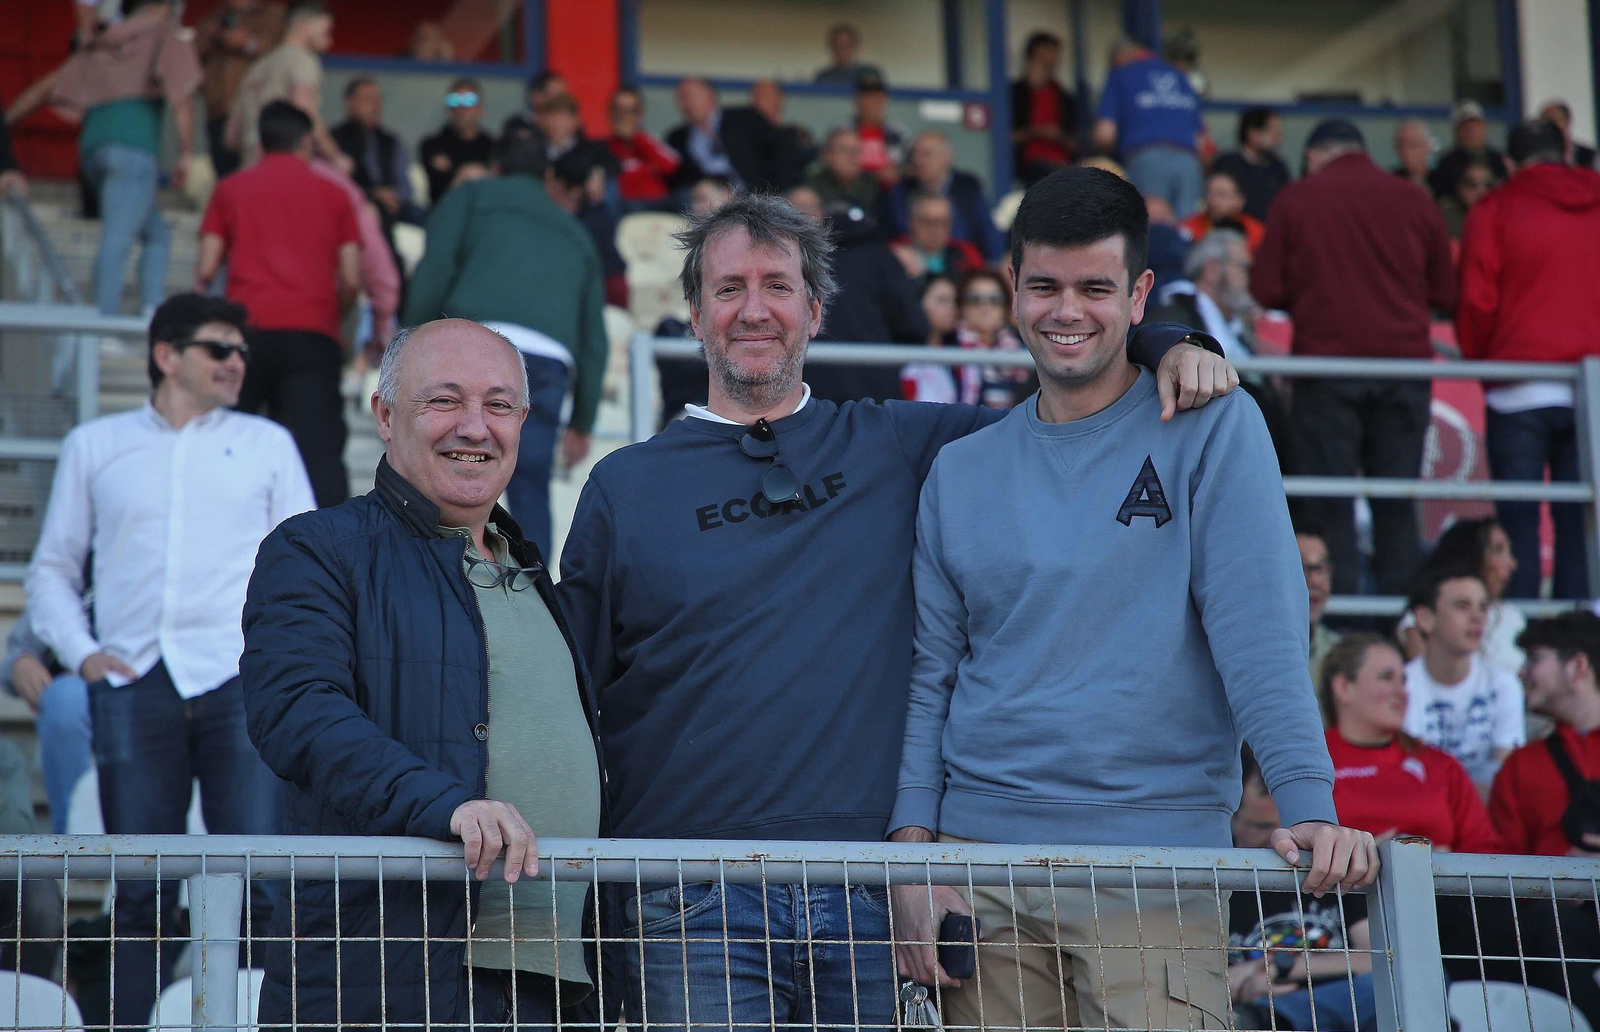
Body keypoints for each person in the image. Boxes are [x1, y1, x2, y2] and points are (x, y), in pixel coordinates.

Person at [557, 191, 1240, 1032]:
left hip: (869, 894)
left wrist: (1166, 338)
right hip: (687, 893)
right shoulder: (623, 487)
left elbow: (1068, 378)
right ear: (693, 312)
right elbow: (571, 696)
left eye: (777, 286)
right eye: (728, 288)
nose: (754, 310)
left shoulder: (902, 443)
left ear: (814, 310)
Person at [889, 167, 1374, 1030]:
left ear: (1141, 292)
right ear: (1010, 287)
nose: (1065, 310)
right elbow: (934, 677)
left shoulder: (1214, 425)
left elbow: (1260, 634)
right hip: (979, 873)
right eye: (1043, 285)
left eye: (1094, 288)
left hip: (1154, 869)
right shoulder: (959, 470)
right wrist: (912, 864)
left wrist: (1310, 807)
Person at [240, 319, 604, 1031]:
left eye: (500, 406)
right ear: (383, 414)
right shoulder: (317, 550)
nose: (475, 426)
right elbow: (297, 711)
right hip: (391, 982)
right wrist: (445, 805)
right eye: (444, 401)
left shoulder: (534, 573)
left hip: (553, 988)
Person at [25, 293, 313, 1028]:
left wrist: (277, 662)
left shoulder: (266, 444)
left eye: (242, 351)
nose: (238, 363)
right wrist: (85, 657)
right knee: (139, 887)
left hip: (240, 681)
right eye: (221, 349)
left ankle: (272, 1023)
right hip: (132, 682)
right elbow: (52, 569)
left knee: (263, 879)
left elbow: (304, 567)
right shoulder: (96, 443)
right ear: (166, 356)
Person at [1252, 118, 1455, 598]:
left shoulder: (1298, 198)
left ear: (1316, 156)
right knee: (1396, 504)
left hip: (1326, 374)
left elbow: (1266, 288)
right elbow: (1447, 290)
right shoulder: (1414, 199)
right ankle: (1404, 629)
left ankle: (1340, 625)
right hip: (1404, 371)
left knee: (1329, 506)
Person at [403, 133, 607, 557]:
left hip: (473, 347)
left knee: (450, 467)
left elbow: (433, 273)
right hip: (550, 360)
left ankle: (439, 580)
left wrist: (407, 349)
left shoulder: (472, 196)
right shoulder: (576, 232)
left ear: (496, 166)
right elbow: (594, 339)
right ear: (547, 176)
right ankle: (535, 596)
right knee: (530, 482)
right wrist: (583, 421)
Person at [1457, 117, 1600, 602]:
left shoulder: (1495, 208)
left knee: (1517, 522)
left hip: (1517, 386)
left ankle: (1519, 635)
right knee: (1583, 520)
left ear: (1508, 163)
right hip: (1592, 387)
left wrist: (1484, 365)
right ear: (1565, 151)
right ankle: (1579, 633)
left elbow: (1476, 301)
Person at [197, 100, 362, 508]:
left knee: (232, 444)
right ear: (307, 142)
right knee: (318, 456)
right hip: (313, 334)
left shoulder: (230, 188)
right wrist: (332, 315)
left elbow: (205, 268)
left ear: (260, 142)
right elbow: (353, 277)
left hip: (246, 336)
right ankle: (335, 563)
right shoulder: (335, 194)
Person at [8, 0, 200, 316]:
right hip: (134, 148)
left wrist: (6, 123)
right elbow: (183, 98)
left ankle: (152, 307)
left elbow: (45, 87)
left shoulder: (102, 41)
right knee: (118, 237)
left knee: (157, 235)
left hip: (93, 149)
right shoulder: (166, 35)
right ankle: (101, 324)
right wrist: (188, 154)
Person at [1230, 747, 1374, 1032]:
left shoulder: (1332, 870)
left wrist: (1276, 969)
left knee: (1418, 978)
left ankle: (1280, 1017)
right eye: (1261, 827)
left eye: (1287, 829)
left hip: (1342, 1009)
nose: (1278, 842)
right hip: (1250, 1010)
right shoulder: (1216, 885)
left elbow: (1381, 958)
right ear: (1230, 819)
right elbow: (1192, 975)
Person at [1321, 633, 1503, 851]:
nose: (1402, 692)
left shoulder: (1440, 766)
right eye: (1386, 677)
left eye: (1403, 680)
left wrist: (1444, 866)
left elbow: (1486, 850)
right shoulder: (1311, 761)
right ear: (1343, 687)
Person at [1145, 229, 1292, 470]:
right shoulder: (1173, 317)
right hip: (1209, 460)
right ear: (1212, 269)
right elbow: (1151, 342)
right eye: (1244, 268)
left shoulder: (1237, 326)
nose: (1250, 279)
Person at [1402, 565, 1525, 793]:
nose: (1478, 617)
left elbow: (1506, 776)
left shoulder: (1504, 684)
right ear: (1425, 619)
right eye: (1462, 606)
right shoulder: (1402, 684)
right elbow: (1407, 774)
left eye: (1483, 607)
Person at [801, 192, 929, 404]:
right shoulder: (883, 259)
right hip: (874, 393)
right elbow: (915, 327)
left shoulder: (807, 261)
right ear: (868, 223)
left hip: (814, 393)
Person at [1492, 612, 1600, 855]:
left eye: (1533, 659)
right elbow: (1499, 877)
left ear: (1578, 666)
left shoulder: (1520, 766)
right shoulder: (1519, 767)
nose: (1522, 673)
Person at [3, 606, 92, 834]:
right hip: (75, 706)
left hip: (163, 702)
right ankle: (76, 854)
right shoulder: (72, 574)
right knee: (67, 699)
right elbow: (16, 653)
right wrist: (21, 662)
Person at [226, 1, 345, 171]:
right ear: (303, 26)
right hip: (283, 172)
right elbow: (304, 114)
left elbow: (231, 138)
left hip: (247, 172)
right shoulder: (303, 60)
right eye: (325, 31)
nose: (330, 40)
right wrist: (336, 157)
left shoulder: (257, 68)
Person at [1093, 38, 1205, 216]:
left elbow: (1104, 134)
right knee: (1186, 230)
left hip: (1146, 159)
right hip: (1189, 163)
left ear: (1118, 58)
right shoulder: (1181, 77)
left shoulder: (1121, 74)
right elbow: (1203, 142)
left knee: (1151, 227)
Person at [194, 0, 285, 179]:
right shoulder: (214, 18)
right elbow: (193, 61)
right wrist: (210, 36)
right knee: (225, 175)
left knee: (257, 176)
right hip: (218, 111)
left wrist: (248, 43)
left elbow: (283, 54)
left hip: (258, 112)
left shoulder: (273, 15)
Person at [1426, 518, 1524, 677]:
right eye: (1498, 550)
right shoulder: (1430, 613)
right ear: (1471, 554)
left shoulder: (1513, 615)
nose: (1512, 564)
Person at [884, 131, 1003, 260]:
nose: (917, 161)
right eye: (914, 154)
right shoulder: (901, 190)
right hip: (914, 262)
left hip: (961, 263)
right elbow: (898, 235)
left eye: (926, 154)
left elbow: (988, 234)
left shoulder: (968, 187)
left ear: (947, 158)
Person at [665, 78, 790, 193]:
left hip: (752, 196)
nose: (684, 105)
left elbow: (779, 152)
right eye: (680, 99)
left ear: (710, 94)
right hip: (706, 202)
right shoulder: (677, 137)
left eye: (688, 97)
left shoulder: (745, 118)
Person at [331, 77, 423, 226]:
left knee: (436, 220)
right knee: (376, 212)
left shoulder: (391, 141)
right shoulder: (334, 142)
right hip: (357, 205)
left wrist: (395, 197)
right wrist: (373, 194)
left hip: (397, 205)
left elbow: (405, 184)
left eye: (377, 100)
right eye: (367, 99)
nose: (375, 106)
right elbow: (336, 186)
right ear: (349, 103)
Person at [549, 148, 628, 309]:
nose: (547, 187)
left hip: (603, 293)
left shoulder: (594, 221)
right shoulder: (593, 215)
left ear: (572, 190)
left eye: (552, 182)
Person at [1011, 31, 1077, 185]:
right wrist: (1036, 131)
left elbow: (1076, 142)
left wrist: (1059, 136)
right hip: (1027, 167)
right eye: (1053, 51)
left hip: (1063, 166)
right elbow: (1002, 137)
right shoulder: (1015, 94)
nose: (1058, 58)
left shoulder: (1063, 96)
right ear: (1038, 51)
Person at [419, 77, 496, 205]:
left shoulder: (493, 146)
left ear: (480, 108)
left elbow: (495, 189)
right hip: (445, 213)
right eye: (454, 100)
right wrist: (473, 174)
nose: (461, 107)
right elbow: (438, 190)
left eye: (468, 100)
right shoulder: (433, 145)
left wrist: (453, 171)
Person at [1211, 106, 1290, 222]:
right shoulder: (1227, 164)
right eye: (1274, 134)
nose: (1280, 139)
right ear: (1253, 134)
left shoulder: (1279, 168)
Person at [606, 85, 679, 208]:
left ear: (639, 115)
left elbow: (671, 166)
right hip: (623, 210)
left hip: (657, 207)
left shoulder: (649, 141)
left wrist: (636, 137)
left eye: (629, 111)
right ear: (610, 113)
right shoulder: (604, 148)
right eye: (618, 110)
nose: (624, 117)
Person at [889, 192, 983, 287]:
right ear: (911, 222)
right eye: (928, 222)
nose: (935, 229)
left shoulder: (967, 254)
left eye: (942, 222)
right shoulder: (894, 255)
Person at [1297, 524, 1342, 714]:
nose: (1314, 581)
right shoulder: (1253, 650)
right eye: (1301, 566)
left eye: (1321, 568)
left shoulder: (1341, 652)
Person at [1429, 100, 1512, 199]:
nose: (1472, 132)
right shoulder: (1447, 163)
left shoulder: (1499, 160)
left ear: (1484, 127)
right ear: (1457, 131)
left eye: (1476, 126)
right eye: (1466, 127)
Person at [900, 274, 961, 402]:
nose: (952, 308)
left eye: (954, 301)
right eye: (942, 300)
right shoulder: (898, 354)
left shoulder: (958, 356)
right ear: (918, 303)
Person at [1180, 168, 1265, 252]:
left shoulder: (1256, 233)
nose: (1213, 201)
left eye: (1221, 194)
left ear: (1240, 200)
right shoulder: (1188, 228)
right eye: (1209, 193)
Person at [847, 72, 908, 185]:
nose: (871, 103)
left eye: (876, 97)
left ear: (884, 100)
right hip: (851, 188)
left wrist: (896, 173)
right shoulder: (843, 130)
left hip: (888, 193)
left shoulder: (897, 132)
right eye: (866, 97)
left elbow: (906, 167)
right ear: (856, 100)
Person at [807, 127, 880, 214]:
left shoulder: (871, 185)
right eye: (844, 150)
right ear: (827, 155)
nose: (852, 156)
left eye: (856, 151)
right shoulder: (811, 188)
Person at [1437, 153, 1492, 241]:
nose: (1482, 192)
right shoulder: (1446, 215)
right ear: (1458, 187)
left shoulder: (1497, 212)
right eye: (1472, 185)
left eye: (1488, 185)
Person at [503, 69, 568, 139]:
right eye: (555, 95)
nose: (560, 102)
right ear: (536, 96)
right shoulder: (516, 125)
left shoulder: (570, 128)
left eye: (563, 95)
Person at [814, 22, 882, 86]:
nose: (841, 50)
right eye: (836, 46)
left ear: (854, 46)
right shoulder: (823, 78)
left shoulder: (868, 74)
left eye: (845, 46)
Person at [1539, 99, 1597, 168]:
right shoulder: (1536, 158)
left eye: (1553, 121)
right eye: (1544, 122)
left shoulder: (1588, 156)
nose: (1549, 127)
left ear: (1567, 121)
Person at [1393, 119, 1435, 189]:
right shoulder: (1391, 181)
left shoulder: (1443, 181)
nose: (1405, 151)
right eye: (1401, 145)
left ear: (1428, 147)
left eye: (1413, 144)